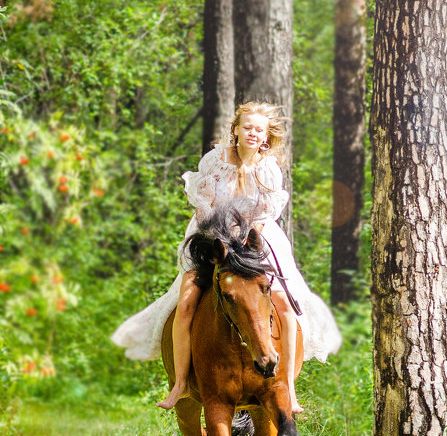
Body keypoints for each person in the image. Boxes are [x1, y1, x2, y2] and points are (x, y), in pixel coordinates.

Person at [110, 102, 341, 413]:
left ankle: (289, 386)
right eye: (247, 127)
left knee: (286, 306)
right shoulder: (215, 161)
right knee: (186, 302)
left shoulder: (268, 169)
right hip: (212, 236)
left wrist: (244, 242)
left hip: (254, 241)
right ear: (236, 129)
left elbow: (264, 216)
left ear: (265, 137)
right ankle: (180, 381)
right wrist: (220, 238)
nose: (253, 133)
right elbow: (202, 205)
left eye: (259, 130)